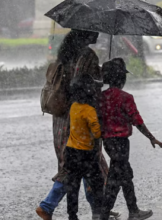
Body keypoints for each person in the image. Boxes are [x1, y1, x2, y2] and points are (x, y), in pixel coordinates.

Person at [36, 30, 119, 220]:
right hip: (81, 119)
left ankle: (98, 208)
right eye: (94, 30)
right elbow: (86, 86)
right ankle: (48, 206)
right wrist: (104, 77)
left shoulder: (64, 54)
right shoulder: (87, 56)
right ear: (85, 34)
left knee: (77, 164)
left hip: (62, 119)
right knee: (86, 166)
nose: (98, 33)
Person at [100, 58, 162, 220]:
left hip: (107, 143)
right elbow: (137, 120)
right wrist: (151, 138)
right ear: (122, 78)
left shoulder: (100, 97)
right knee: (119, 176)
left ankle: (119, 211)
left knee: (121, 175)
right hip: (121, 143)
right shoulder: (125, 97)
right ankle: (125, 212)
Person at [65, 74, 105, 220]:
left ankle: (72, 215)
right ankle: (98, 212)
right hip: (86, 154)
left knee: (73, 187)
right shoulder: (90, 110)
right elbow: (97, 133)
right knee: (97, 183)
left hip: (70, 152)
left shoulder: (73, 107)